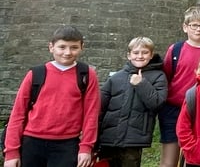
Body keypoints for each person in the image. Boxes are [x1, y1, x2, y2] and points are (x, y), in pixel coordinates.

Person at [2, 25, 101, 167]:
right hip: (32, 142)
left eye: (74, 47)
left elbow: (91, 114)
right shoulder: (35, 74)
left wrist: (86, 147)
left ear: (81, 47)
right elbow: (18, 114)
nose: (67, 52)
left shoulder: (86, 74)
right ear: (51, 47)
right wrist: (11, 151)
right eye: (62, 47)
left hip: (67, 145)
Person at [98, 36, 168, 167]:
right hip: (108, 138)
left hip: (133, 140)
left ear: (151, 55)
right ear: (129, 55)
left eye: (145, 52)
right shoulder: (116, 78)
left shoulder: (158, 76)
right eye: (136, 53)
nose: (140, 56)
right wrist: (95, 139)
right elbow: (100, 109)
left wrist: (141, 84)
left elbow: (157, 104)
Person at [159, 6, 200, 167]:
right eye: (194, 25)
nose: (198, 29)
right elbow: (167, 76)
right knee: (169, 161)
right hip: (174, 109)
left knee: (193, 158)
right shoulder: (176, 49)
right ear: (185, 27)